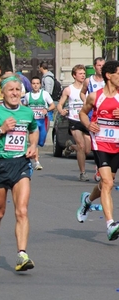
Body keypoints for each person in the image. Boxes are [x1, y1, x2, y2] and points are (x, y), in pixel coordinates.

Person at [0, 74, 38, 272]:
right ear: (2, 92)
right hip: (0, 164)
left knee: (22, 210)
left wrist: (34, 145)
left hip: (21, 164)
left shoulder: (27, 113)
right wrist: (1, 130)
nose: (14, 93)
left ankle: (22, 254)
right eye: (10, 90)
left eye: (17, 90)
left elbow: (33, 129)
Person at [76, 60, 119, 241]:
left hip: (117, 144)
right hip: (100, 143)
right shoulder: (95, 96)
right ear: (109, 76)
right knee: (108, 183)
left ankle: (87, 201)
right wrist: (89, 124)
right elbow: (82, 113)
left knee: (107, 184)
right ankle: (110, 224)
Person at [57, 64, 90, 181]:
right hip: (74, 120)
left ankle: (70, 146)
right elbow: (60, 104)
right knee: (81, 146)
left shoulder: (88, 89)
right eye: (80, 74)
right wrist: (62, 111)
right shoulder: (69, 89)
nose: (83, 75)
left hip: (86, 120)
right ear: (74, 75)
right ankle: (83, 173)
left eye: (84, 73)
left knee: (87, 150)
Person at [80, 57, 106, 181]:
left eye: (103, 65)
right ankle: (99, 166)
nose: (101, 67)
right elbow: (82, 92)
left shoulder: (110, 80)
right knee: (95, 143)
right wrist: (86, 102)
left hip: (107, 115)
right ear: (94, 67)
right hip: (93, 115)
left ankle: (102, 167)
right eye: (99, 65)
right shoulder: (88, 81)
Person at [23, 76, 55, 170]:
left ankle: (33, 157)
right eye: (33, 83)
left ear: (40, 85)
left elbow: (53, 105)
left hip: (42, 121)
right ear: (31, 85)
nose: (35, 85)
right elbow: (24, 106)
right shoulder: (27, 95)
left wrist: (47, 109)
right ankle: (37, 162)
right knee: (34, 143)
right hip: (33, 123)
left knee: (41, 142)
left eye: (37, 83)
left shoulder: (45, 94)